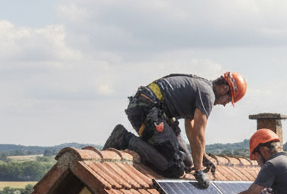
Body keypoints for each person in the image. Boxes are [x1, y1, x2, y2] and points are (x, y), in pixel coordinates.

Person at [104, 71, 246, 187]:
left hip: (156, 111)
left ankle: (153, 147)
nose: (224, 104)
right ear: (224, 88)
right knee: (174, 168)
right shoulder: (207, 95)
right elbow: (198, 133)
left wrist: (201, 157)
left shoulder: (202, 89)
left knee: (187, 162)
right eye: (228, 100)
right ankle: (124, 139)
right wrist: (199, 171)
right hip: (146, 108)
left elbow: (190, 128)